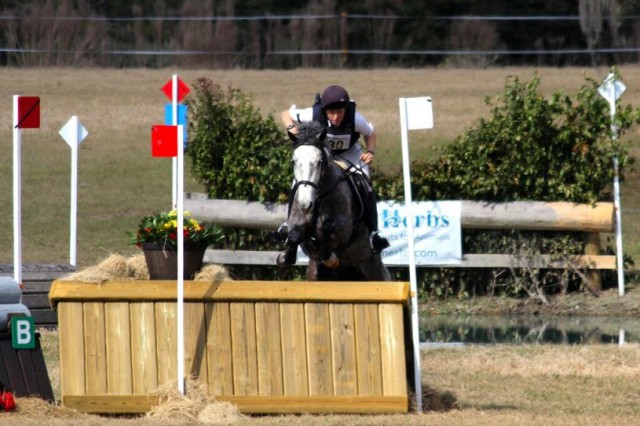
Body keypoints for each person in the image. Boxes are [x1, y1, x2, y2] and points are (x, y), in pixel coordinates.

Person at [278, 85, 390, 263]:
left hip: (349, 154)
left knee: (366, 184)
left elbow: (371, 133)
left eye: (340, 112)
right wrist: (292, 127)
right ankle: (288, 224)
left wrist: (371, 151)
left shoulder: (356, 118)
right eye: (331, 113)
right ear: (325, 110)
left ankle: (374, 234)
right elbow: (285, 114)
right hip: (321, 154)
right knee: (300, 182)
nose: (336, 117)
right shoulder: (312, 113)